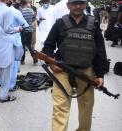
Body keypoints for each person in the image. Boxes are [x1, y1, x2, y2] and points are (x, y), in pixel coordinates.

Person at [41, 0, 107, 131]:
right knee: (60, 109)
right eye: (74, 3)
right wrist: (51, 64)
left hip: (86, 71)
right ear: (68, 5)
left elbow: (100, 50)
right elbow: (48, 46)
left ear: (85, 5)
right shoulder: (60, 23)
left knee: (86, 108)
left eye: (81, 3)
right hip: (62, 71)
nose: (78, 6)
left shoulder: (93, 24)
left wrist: (100, 74)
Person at [20, 0, 38, 64]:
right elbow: (34, 18)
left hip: (24, 30)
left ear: (22, 4)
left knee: (23, 45)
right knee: (29, 45)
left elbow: (20, 21)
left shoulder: (21, 11)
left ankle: (22, 60)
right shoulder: (31, 10)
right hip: (30, 30)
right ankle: (33, 55)